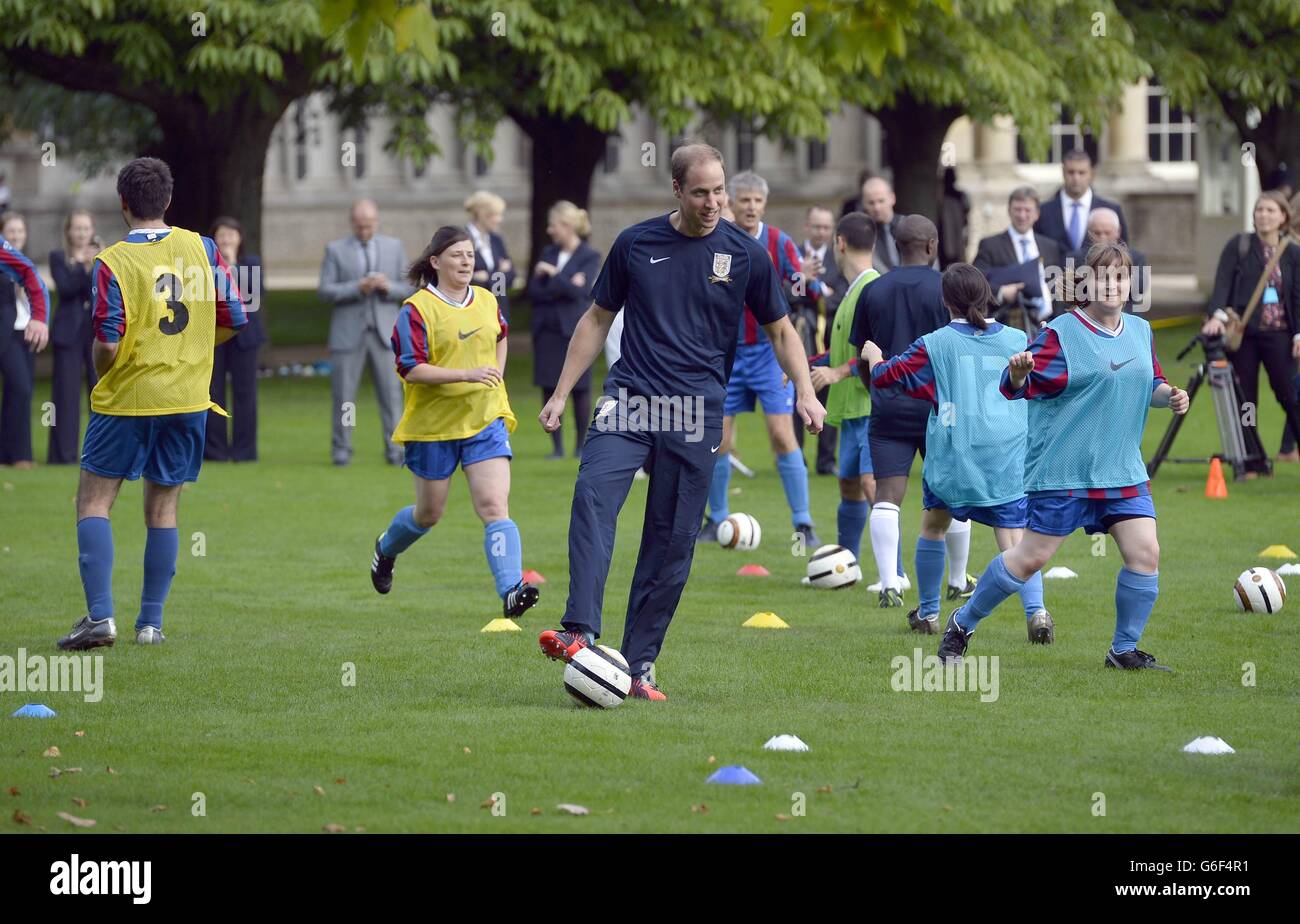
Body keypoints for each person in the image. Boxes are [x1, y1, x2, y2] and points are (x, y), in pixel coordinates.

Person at [534, 142, 824, 701]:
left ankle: (639, 666)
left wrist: (805, 392)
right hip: (631, 397)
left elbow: (782, 330)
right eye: (702, 192)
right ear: (677, 190)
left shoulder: (745, 255)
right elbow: (596, 319)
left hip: (695, 412)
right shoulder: (636, 244)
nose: (715, 202)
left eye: (719, 191)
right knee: (593, 493)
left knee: (671, 541)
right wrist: (561, 392)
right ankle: (579, 631)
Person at [936, 243, 1189, 671]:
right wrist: (1016, 374)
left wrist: (1170, 396)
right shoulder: (1061, 333)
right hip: (1064, 471)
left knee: (1146, 553)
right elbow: (1016, 386)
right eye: (1104, 277)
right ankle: (961, 625)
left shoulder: (1141, 332)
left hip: (1121, 469)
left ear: (1130, 284)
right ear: (1086, 282)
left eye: (1121, 277)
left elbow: (1151, 383)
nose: (1112, 285)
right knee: (1030, 557)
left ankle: (1123, 650)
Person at [57, 156, 247, 650]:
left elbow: (107, 341)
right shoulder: (203, 249)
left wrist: (107, 372)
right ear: (167, 201)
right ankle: (150, 625)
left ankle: (101, 618)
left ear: (123, 204)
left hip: (128, 398)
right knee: (163, 509)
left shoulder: (112, 262)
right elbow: (233, 316)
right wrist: (188, 355)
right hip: (187, 400)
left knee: (93, 502)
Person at [863, 263, 1050, 641]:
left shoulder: (935, 343)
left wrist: (873, 356)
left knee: (933, 527)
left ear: (945, 301)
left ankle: (929, 613)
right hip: (1005, 459)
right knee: (1015, 540)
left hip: (954, 457)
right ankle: (1038, 613)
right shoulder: (1018, 339)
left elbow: (886, 378)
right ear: (987, 295)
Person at [369, 226, 540, 620]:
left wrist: (494, 374)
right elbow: (410, 369)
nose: (466, 261)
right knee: (428, 513)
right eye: (457, 255)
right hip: (433, 427)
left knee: (495, 506)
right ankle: (386, 550)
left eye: (469, 255)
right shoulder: (416, 309)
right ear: (435, 262)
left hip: (484, 419)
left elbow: (501, 334)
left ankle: (511, 589)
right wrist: (466, 375)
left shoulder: (484, 299)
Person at [701, 170, 820, 547]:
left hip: (769, 354)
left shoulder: (778, 241)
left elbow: (805, 287)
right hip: (725, 356)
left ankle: (803, 523)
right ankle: (716, 519)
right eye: (744, 200)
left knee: (782, 434)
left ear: (764, 205)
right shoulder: (717, 242)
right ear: (730, 203)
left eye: (757, 201)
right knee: (718, 438)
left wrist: (805, 281)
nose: (751, 207)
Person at [848, 215, 957, 607]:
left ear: (896, 245)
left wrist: (877, 387)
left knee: (887, 495)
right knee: (951, 491)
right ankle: (958, 580)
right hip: (940, 407)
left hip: (889, 405)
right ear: (932, 245)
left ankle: (890, 583)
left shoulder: (873, 290)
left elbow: (862, 354)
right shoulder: (948, 287)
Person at [805, 212, 899, 579]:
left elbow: (876, 348)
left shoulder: (873, 288)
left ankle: (895, 574)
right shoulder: (853, 289)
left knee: (871, 485)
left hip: (869, 406)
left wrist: (837, 373)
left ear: (839, 243)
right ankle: (848, 564)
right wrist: (803, 367)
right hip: (849, 408)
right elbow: (844, 346)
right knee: (848, 484)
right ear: (873, 244)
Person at [1202, 191, 1300, 467]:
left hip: (1280, 334)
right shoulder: (1240, 245)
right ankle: (1251, 458)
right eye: (1259, 210)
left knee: (1290, 395)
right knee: (1246, 401)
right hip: (1244, 335)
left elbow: (1298, 297)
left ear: (1283, 217)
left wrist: (1298, 334)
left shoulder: (1293, 252)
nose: (1263, 215)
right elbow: (1221, 284)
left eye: (1270, 210)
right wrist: (1216, 316)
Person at [318, 199, 413, 467]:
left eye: (369, 226)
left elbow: (409, 288)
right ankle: (342, 450)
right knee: (344, 397)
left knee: (392, 394)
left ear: (377, 222)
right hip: (347, 334)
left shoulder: (394, 247)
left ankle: (395, 450)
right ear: (352, 223)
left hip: (385, 333)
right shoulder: (335, 250)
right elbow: (325, 291)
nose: (364, 231)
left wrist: (387, 287)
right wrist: (357, 287)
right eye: (360, 226)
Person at [527, 201, 601, 458]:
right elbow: (534, 291)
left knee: (580, 389)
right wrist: (566, 282)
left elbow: (583, 292)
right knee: (549, 386)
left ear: (567, 226)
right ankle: (556, 448)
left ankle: (580, 446)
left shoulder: (589, 256)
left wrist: (554, 275)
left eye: (554, 225)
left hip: (573, 331)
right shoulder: (548, 252)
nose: (549, 230)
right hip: (547, 330)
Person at [206, 216, 265, 462]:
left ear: (240, 238)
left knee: (245, 394)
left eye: (231, 235)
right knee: (213, 392)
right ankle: (215, 450)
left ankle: (244, 450)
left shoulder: (252, 263)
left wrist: (230, 265)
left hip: (245, 336)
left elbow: (251, 296)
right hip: (216, 335)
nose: (227, 239)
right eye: (222, 235)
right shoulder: (206, 266)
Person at [47, 210, 102, 464]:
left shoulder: (100, 258)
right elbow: (67, 289)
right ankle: (63, 454)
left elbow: (101, 292)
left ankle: (100, 452)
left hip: (94, 335)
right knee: (66, 395)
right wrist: (83, 266)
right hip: (67, 333)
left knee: (98, 394)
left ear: (91, 231)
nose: (81, 233)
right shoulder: (58, 257)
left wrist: (95, 265)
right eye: (77, 228)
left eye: (86, 228)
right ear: (68, 231)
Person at [973, 186, 1062, 333]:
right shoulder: (990, 245)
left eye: (1027, 210)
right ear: (1009, 211)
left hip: (1045, 328)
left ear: (1037, 214)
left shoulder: (1050, 247)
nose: (1022, 215)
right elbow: (975, 283)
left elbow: (1058, 287)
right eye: (1017, 209)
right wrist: (1001, 292)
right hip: (1005, 326)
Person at [0, 212, 50, 468]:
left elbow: (34, 285)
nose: (17, 235)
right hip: (7, 331)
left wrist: (40, 319)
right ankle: (16, 455)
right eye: (12, 231)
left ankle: (17, 455)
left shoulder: (22, 263)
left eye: (20, 231)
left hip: (25, 331)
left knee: (20, 392)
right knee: (19, 388)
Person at [799, 205, 845, 474]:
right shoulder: (793, 254)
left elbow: (840, 298)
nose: (821, 232)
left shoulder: (837, 260)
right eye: (816, 226)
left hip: (829, 339)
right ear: (807, 226)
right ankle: (797, 459)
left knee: (827, 397)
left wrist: (812, 290)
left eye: (826, 227)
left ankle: (826, 461)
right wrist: (807, 283)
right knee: (798, 392)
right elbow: (788, 294)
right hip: (800, 336)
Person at [1034, 149, 1129, 256]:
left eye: (1081, 173)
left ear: (1091, 174)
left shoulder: (1111, 210)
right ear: (1063, 172)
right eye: (1071, 172)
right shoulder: (1044, 211)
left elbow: (1122, 251)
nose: (1076, 178)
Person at [1064, 208, 1149, 314]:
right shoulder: (1075, 258)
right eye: (1097, 233)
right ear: (1089, 232)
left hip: (1126, 315)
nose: (1102, 237)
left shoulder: (1135, 257)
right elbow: (1067, 292)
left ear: (1118, 231)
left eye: (1107, 232)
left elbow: (1141, 287)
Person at [465, 191, 517, 321]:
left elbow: (512, 276)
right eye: (496, 215)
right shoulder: (463, 239)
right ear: (483, 215)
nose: (500, 220)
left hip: (499, 311)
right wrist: (499, 272)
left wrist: (487, 277)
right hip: (474, 311)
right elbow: (467, 280)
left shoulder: (496, 240)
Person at [862, 177, 904, 272]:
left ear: (892, 199)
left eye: (881, 201)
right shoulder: (864, 234)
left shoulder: (909, 225)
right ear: (864, 204)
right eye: (871, 203)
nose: (877, 207)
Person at [937, 167, 971, 269]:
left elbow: (966, 212)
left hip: (955, 233)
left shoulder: (958, 196)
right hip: (947, 235)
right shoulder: (942, 197)